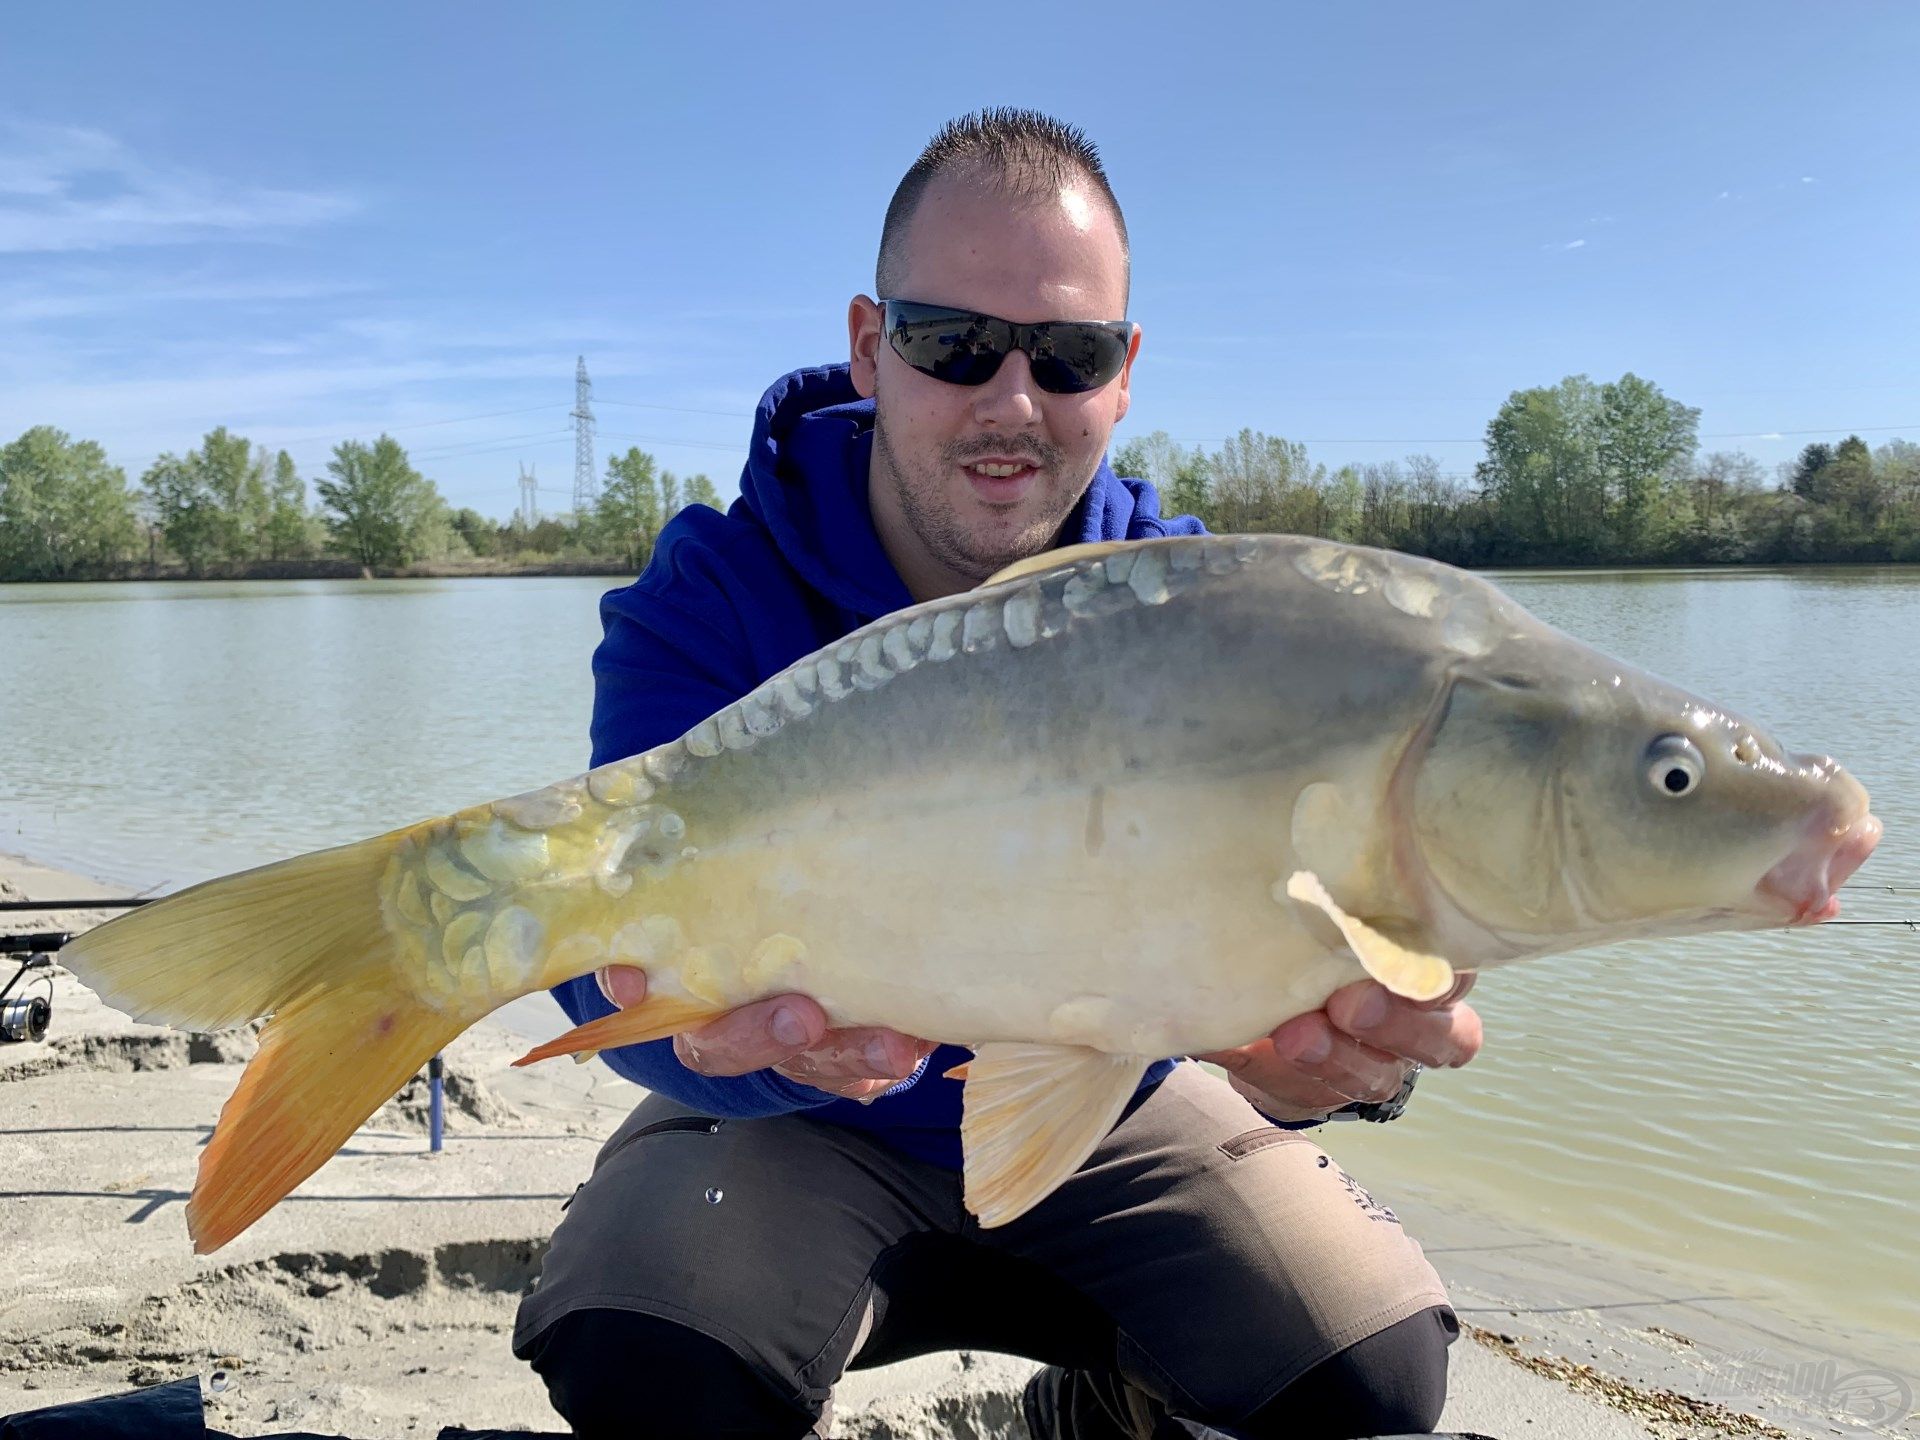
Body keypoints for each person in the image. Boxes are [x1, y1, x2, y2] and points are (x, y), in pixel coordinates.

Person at [511, 108, 1484, 1440]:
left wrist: (1354, 1060)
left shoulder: (1223, 622)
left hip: (1113, 1105)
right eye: (954, 344)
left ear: (1126, 372)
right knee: (646, 1347)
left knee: (1370, 1377)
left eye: (1069, 355)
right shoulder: (715, 594)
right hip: (792, 1137)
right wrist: (733, 1045)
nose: (1012, 402)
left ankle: (1081, 1421)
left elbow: (1334, 943)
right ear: (869, 346)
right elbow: (590, 941)